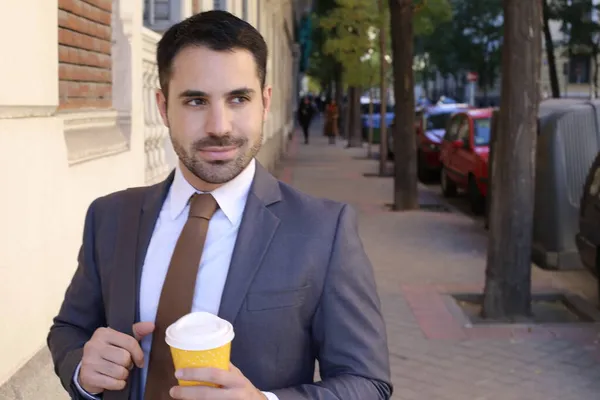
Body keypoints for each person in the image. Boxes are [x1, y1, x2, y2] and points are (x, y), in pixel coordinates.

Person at [47, 10, 392, 400]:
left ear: (264, 102)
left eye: (238, 98)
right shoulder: (109, 216)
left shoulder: (324, 230)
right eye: (195, 100)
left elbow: (367, 382)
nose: (219, 126)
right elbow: (69, 329)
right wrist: (81, 368)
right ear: (163, 107)